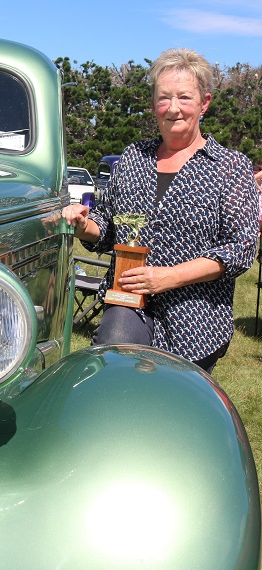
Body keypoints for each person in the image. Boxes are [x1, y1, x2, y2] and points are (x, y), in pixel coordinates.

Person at [63, 48, 259, 374]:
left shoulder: (230, 167)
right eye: (164, 98)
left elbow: (241, 248)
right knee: (114, 370)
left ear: (204, 103)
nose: (173, 108)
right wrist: (85, 225)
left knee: (174, 407)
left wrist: (167, 277)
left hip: (196, 317)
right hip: (130, 303)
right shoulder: (132, 159)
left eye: (184, 97)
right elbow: (109, 225)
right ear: (154, 105)